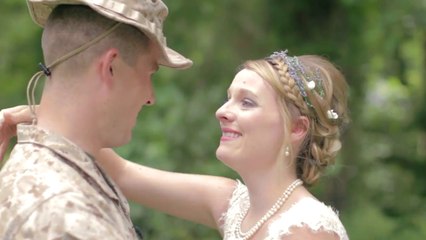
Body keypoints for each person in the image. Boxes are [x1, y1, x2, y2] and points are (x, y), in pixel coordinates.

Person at [1, 50, 350, 239]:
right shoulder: (232, 203)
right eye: (228, 99)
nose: (222, 112)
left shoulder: (307, 232)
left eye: (246, 103)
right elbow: (122, 172)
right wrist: (46, 115)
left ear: (296, 129)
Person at [0, 0, 192, 239]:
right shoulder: (67, 217)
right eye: (148, 73)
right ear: (110, 67)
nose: (150, 97)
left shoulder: (45, 173)